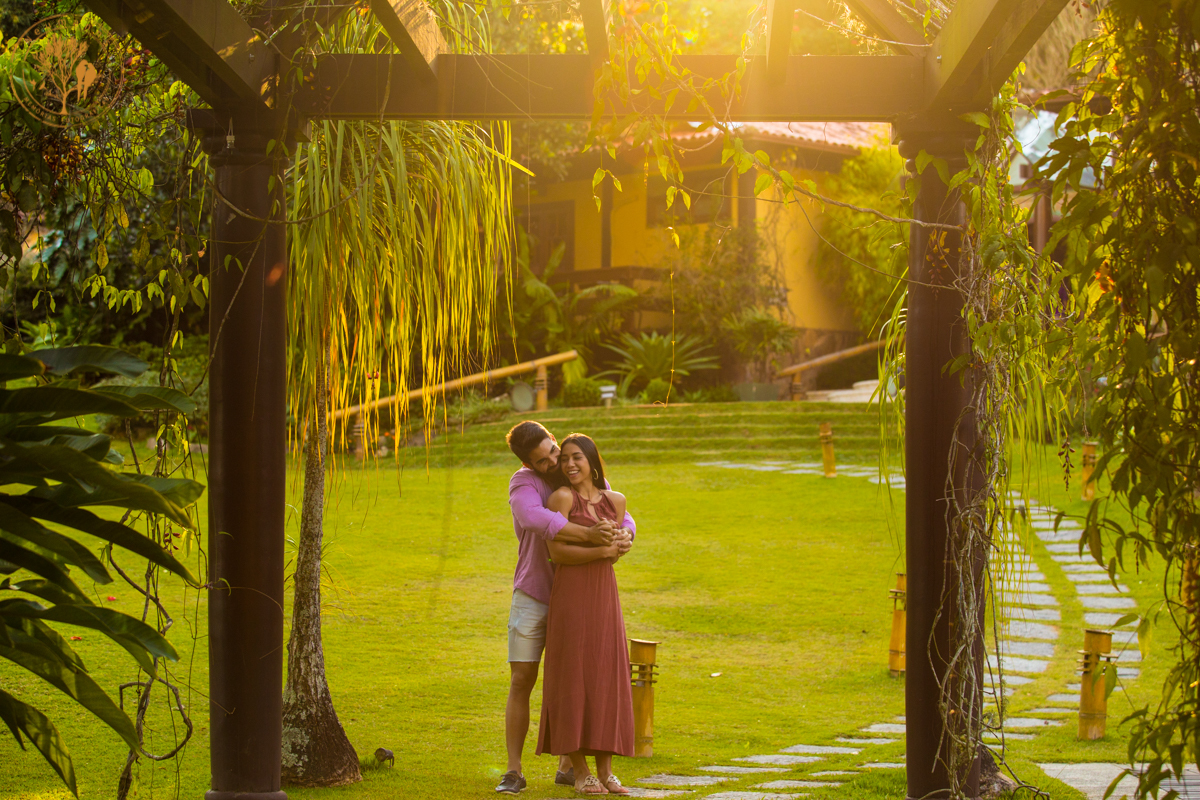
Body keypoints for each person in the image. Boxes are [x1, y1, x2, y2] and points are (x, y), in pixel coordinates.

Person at [497, 421, 635, 795]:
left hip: (579, 596)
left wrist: (626, 532)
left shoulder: (573, 466)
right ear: (529, 462)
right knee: (523, 679)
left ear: (554, 441)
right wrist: (593, 537)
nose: (553, 462)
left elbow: (613, 505)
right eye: (542, 461)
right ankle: (513, 770)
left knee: (583, 673)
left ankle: (571, 767)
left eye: (553, 452)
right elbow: (534, 519)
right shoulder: (524, 483)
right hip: (535, 593)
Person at [537, 433, 635, 795]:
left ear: (592, 461)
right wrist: (599, 548)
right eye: (565, 460)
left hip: (604, 595)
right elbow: (556, 552)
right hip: (572, 595)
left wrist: (620, 544)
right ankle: (580, 771)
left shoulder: (617, 500)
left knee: (606, 673)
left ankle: (607, 772)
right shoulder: (561, 497)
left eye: (576, 457)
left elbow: (618, 547)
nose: (570, 465)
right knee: (573, 675)